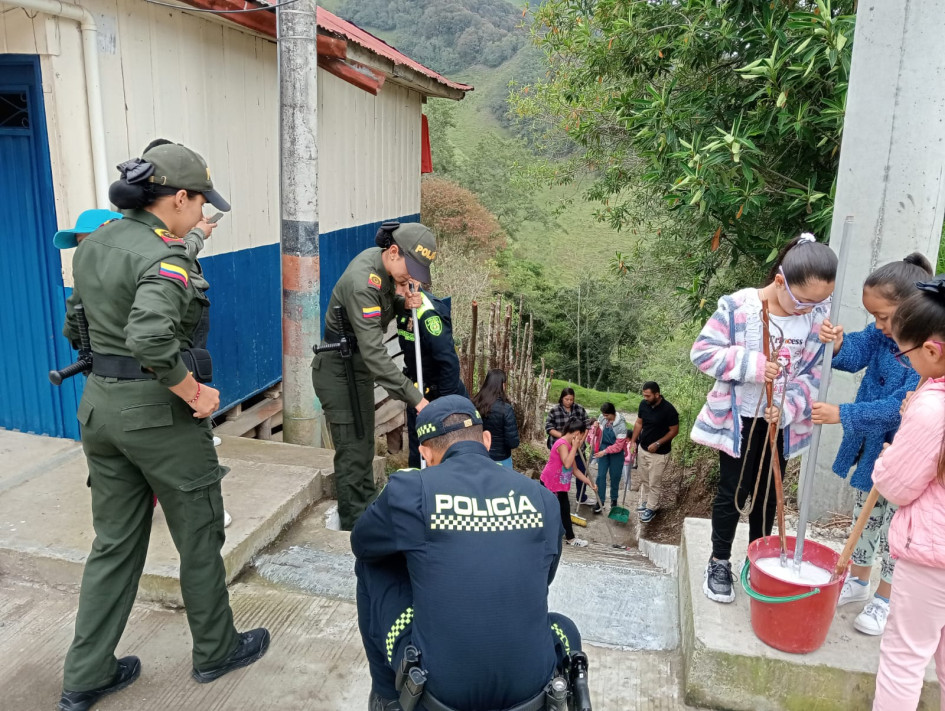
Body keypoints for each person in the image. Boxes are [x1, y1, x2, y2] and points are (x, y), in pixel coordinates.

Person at [57, 142, 269, 711]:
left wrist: (197, 237)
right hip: (158, 417)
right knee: (198, 536)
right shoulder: (165, 259)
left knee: (113, 544)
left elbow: (76, 328)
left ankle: (86, 675)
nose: (201, 212)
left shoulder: (95, 244)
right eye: (199, 202)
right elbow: (150, 337)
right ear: (178, 198)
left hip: (100, 409)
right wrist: (193, 392)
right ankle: (217, 650)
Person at [351, 395, 586, 711]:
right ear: (486, 440)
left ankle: (387, 697)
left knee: (373, 565)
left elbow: (362, 544)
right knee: (563, 627)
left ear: (425, 454)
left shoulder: (410, 490)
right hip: (531, 689)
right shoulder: (542, 497)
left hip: (441, 691)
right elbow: (545, 577)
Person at [691, 233, 837, 604]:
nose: (810, 310)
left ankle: (760, 560)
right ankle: (719, 561)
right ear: (780, 281)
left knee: (771, 493)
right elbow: (703, 352)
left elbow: (815, 375)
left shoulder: (815, 320)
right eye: (803, 301)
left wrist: (788, 407)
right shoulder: (739, 308)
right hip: (740, 419)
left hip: (778, 423)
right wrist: (753, 366)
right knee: (733, 491)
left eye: (819, 302)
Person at [813, 254, 931, 636]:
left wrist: (843, 413)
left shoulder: (925, 354)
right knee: (864, 515)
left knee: (897, 528)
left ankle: (886, 597)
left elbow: (897, 409)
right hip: (874, 450)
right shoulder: (882, 335)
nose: (878, 325)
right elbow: (856, 352)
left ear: (912, 308)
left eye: (883, 316)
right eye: (874, 317)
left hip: (907, 457)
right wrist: (837, 345)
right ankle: (859, 579)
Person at [311, 220, 436, 530]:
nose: (411, 278)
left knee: (365, 445)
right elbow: (375, 353)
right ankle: (354, 527)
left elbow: (384, 306)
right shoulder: (363, 283)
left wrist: (403, 302)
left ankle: (367, 512)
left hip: (357, 368)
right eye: (410, 270)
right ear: (393, 252)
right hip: (339, 371)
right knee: (352, 452)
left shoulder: (382, 267)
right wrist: (416, 399)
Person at [870, 276, 945, 710]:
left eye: (906, 353)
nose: (906, 361)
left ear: (932, 351)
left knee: (904, 657)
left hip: (933, 556)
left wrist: (889, 456)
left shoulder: (933, 406)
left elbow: (896, 486)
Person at [396, 286, 468, 468]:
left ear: (414, 282)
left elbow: (448, 363)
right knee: (418, 451)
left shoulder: (428, 312)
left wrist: (445, 406)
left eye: (402, 284)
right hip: (417, 390)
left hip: (439, 393)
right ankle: (418, 483)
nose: (396, 289)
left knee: (444, 451)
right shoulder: (401, 306)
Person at [541, 417, 598, 547]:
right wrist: (575, 447)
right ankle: (568, 538)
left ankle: (567, 537)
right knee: (558, 510)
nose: (582, 441)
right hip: (551, 484)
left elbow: (575, 470)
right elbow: (567, 463)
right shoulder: (562, 444)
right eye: (582, 437)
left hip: (559, 485)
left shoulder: (569, 445)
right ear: (577, 434)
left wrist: (589, 482)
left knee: (563, 510)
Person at [628, 381, 680, 523]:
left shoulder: (669, 410)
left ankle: (652, 507)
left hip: (659, 453)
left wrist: (658, 443)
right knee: (644, 478)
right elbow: (639, 423)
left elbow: (674, 431)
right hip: (643, 449)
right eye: (644, 395)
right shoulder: (643, 405)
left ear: (657, 394)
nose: (645, 398)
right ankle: (647, 502)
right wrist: (633, 441)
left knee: (654, 481)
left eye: (648, 396)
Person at [545, 387, 595, 503]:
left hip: (578, 448)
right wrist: (566, 437)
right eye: (566, 399)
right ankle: (557, 494)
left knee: (580, 470)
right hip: (563, 447)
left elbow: (587, 425)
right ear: (562, 398)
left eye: (571, 399)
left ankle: (581, 497)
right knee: (562, 470)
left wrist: (581, 440)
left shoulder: (579, 409)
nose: (569, 402)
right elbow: (549, 428)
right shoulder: (555, 411)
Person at [472, 368, 520, 467]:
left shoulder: (474, 404)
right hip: (501, 459)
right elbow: (513, 442)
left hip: (477, 456)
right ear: (502, 385)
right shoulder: (506, 409)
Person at [591, 402, 627, 514]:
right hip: (603, 448)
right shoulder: (602, 418)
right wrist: (596, 428)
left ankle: (614, 501)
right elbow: (598, 434)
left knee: (615, 476)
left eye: (607, 415)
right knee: (601, 475)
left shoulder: (621, 426)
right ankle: (600, 501)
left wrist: (605, 452)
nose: (604, 417)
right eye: (603, 415)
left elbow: (618, 446)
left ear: (613, 413)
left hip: (616, 452)